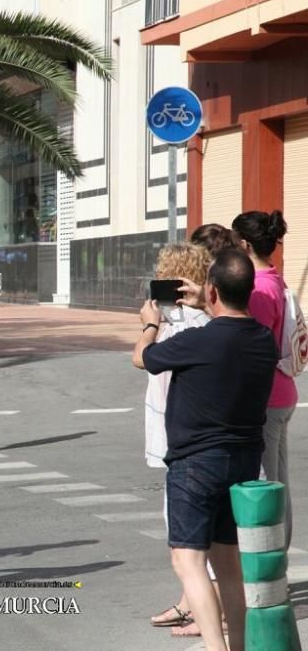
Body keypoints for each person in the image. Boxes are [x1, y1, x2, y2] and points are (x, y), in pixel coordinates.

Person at [133, 249, 278, 651]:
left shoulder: (196, 341)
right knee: (227, 564)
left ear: (212, 290)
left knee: (187, 560)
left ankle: (216, 648)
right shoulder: (262, 339)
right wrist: (209, 302)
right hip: (244, 461)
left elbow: (141, 358)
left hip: (195, 462)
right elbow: (232, 329)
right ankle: (238, 647)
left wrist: (150, 325)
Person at [143, 243, 215, 638]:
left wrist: (149, 327)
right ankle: (191, 604)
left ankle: (208, 621)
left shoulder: (183, 326)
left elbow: (145, 359)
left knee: (187, 542)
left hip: (183, 439)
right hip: (196, 436)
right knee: (201, 537)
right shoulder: (210, 320)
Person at [232, 210, 297, 550]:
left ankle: (267, 560)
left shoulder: (257, 290)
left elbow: (251, 346)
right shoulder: (276, 279)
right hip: (282, 392)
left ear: (244, 244)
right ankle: (277, 558)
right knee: (277, 480)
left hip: (265, 398)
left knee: (264, 482)